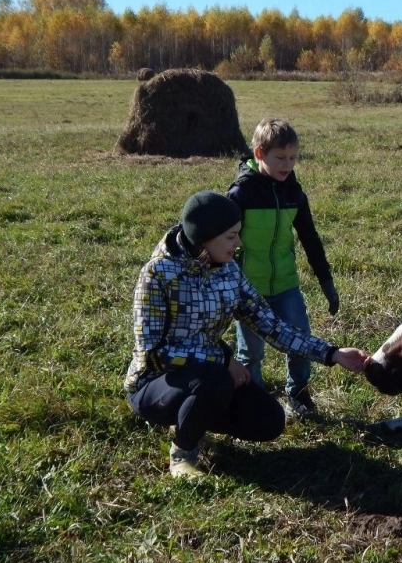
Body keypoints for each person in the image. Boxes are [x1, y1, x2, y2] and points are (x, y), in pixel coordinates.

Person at [124, 190, 369, 478]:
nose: (238, 244)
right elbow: (152, 352)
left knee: (269, 421)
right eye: (230, 236)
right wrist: (222, 359)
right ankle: (183, 454)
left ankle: (191, 417)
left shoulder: (229, 272)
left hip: (207, 377)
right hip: (154, 383)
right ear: (205, 237)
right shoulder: (157, 275)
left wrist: (332, 353)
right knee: (213, 380)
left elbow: (272, 325)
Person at [227, 118, 339, 419]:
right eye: (280, 158)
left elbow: (310, 238)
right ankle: (254, 402)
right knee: (251, 353)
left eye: (293, 158)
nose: (287, 165)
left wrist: (326, 281)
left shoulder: (294, 193)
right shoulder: (241, 194)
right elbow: (222, 241)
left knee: (300, 340)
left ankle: (298, 396)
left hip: (286, 286)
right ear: (259, 154)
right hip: (248, 291)